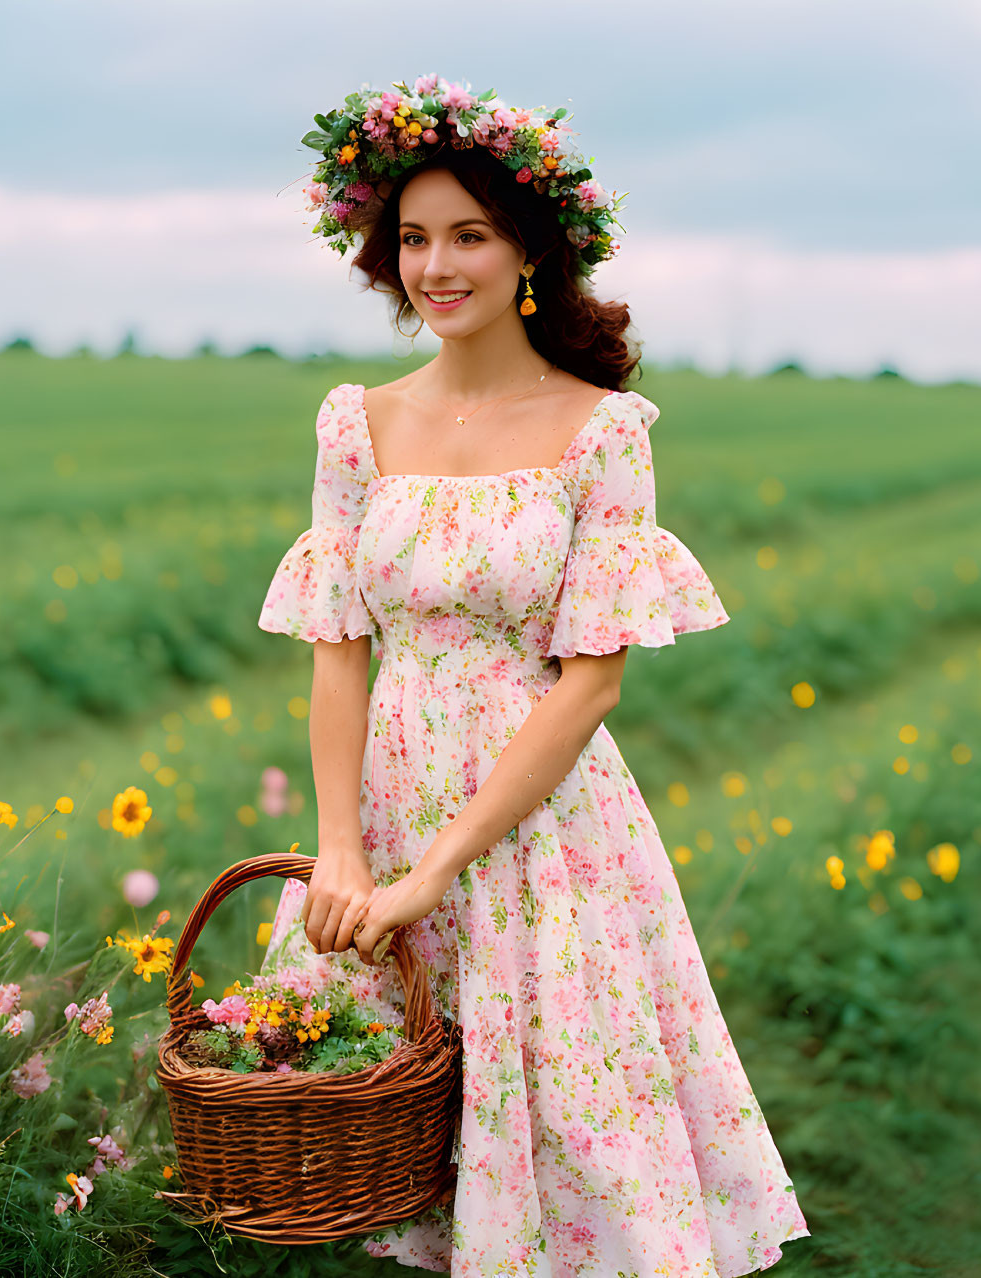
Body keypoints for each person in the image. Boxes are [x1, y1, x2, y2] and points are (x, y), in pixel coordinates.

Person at [255, 75, 810, 1276]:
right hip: (391, 799)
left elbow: (587, 687)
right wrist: (345, 849)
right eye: (411, 238)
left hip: (540, 825)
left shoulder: (601, 430)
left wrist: (435, 873)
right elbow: (338, 652)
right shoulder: (353, 424)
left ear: (527, 254)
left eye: (468, 235)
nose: (433, 266)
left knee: (573, 1126)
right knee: (406, 1121)